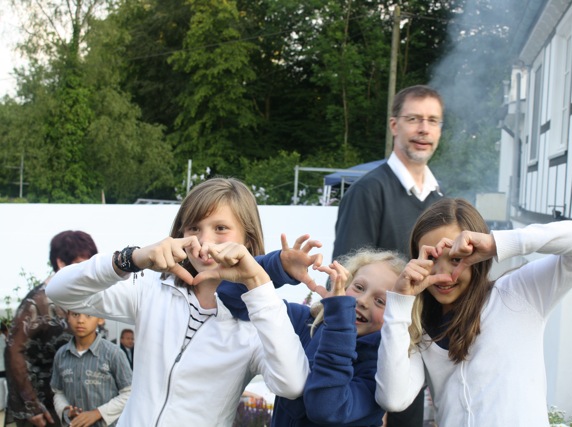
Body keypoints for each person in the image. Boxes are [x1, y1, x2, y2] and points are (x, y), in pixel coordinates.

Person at [45, 177, 320, 427]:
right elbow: (59, 291)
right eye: (194, 228)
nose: (204, 241)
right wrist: (132, 258)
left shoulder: (260, 315)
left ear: (248, 239)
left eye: (221, 228)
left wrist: (258, 284)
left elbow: (291, 384)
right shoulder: (153, 287)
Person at [375, 198, 572, 426]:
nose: (443, 275)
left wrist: (497, 243)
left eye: (456, 259)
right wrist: (400, 302)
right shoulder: (419, 326)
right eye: (431, 259)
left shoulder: (520, 293)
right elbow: (393, 399)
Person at [332, 84, 446, 426]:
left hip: (412, 361)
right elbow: (346, 289)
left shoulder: (440, 203)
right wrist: (368, 393)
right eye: (414, 119)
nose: (423, 129)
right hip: (370, 373)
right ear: (394, 125)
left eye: (432, 121)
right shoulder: (368, 193)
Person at [221, 248, 406, 426]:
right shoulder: (307, 323)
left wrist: (339, 322)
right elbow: (234, 300)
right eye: (358, 287)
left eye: (380, 301)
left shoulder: (382, 369)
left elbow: (325, 408)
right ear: (345, 284)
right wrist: (278, 266)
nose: (363, 301)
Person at [5, 230, 98, 427]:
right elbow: (13, 352)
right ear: (61, 263)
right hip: (42, 409)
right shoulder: (38, 302)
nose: (87, 271)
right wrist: (31, 406)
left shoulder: (80, 296)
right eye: (80, 264)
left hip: (69, 403)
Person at [51, 311, 132, 427]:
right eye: (75, 314)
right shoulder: (61, 355)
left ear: (100, 319)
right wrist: (65, 410)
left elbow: (129, 393)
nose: (80, 320)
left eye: (88, 315)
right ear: (68, 317)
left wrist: (98, 413)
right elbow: (58, 392)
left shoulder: (113, 353)